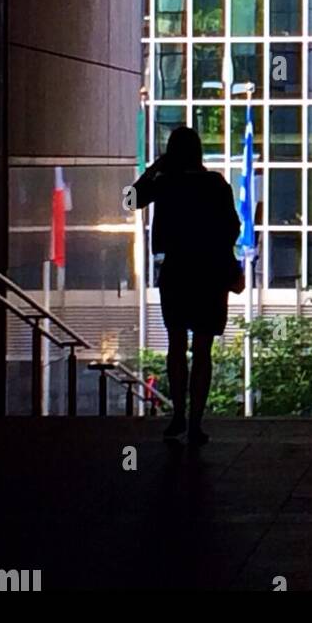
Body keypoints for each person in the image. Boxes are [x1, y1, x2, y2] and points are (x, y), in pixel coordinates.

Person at [131, 127, 240, 444]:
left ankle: (177, 414)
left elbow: (131, 199)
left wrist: (154, 168)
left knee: (176, 345)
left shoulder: (166, 184)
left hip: (177, 271)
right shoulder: (216, 184)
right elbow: (231, 227)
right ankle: (195, 422)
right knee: (203, 350)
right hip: (209, 273)